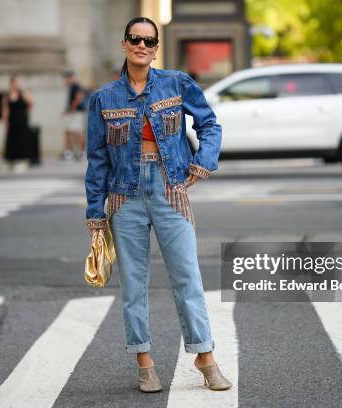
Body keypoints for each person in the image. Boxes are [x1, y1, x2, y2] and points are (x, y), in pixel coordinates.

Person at [84, 17, 232, 393]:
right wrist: (95, 212)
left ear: (155, 47)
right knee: (134, 285)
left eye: (149, 41)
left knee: (188, 278)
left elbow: (210, 124)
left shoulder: (176, 83)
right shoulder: (104, 98)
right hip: (124, 196)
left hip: (170, 191)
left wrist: (202, 163)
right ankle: (145, 363)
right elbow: (97, 159)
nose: (141, 46)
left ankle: (205, 358)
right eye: (135, 39)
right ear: (124, 44)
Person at [2, 74, 34, 173]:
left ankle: (22, 160)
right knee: (11, 141)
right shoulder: (7, 95)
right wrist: (5, 122)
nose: (16, 84)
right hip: (12, 122)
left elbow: (31, 104)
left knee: (22, 140)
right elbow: (5, 110)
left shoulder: (23, 93)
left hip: (22, 121)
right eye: (15, 82)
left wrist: (26, 95)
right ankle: (10, 161)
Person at [61, 70, 87, 161]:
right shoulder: (73, 86)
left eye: (67, 78)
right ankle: (71, 152)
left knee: (77, 132)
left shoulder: (75, 86)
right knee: (70, 131)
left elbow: (79, 97)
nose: (66, 80)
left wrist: (71, 109)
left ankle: (80, 152)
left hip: (76, 112)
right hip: (75, 112)